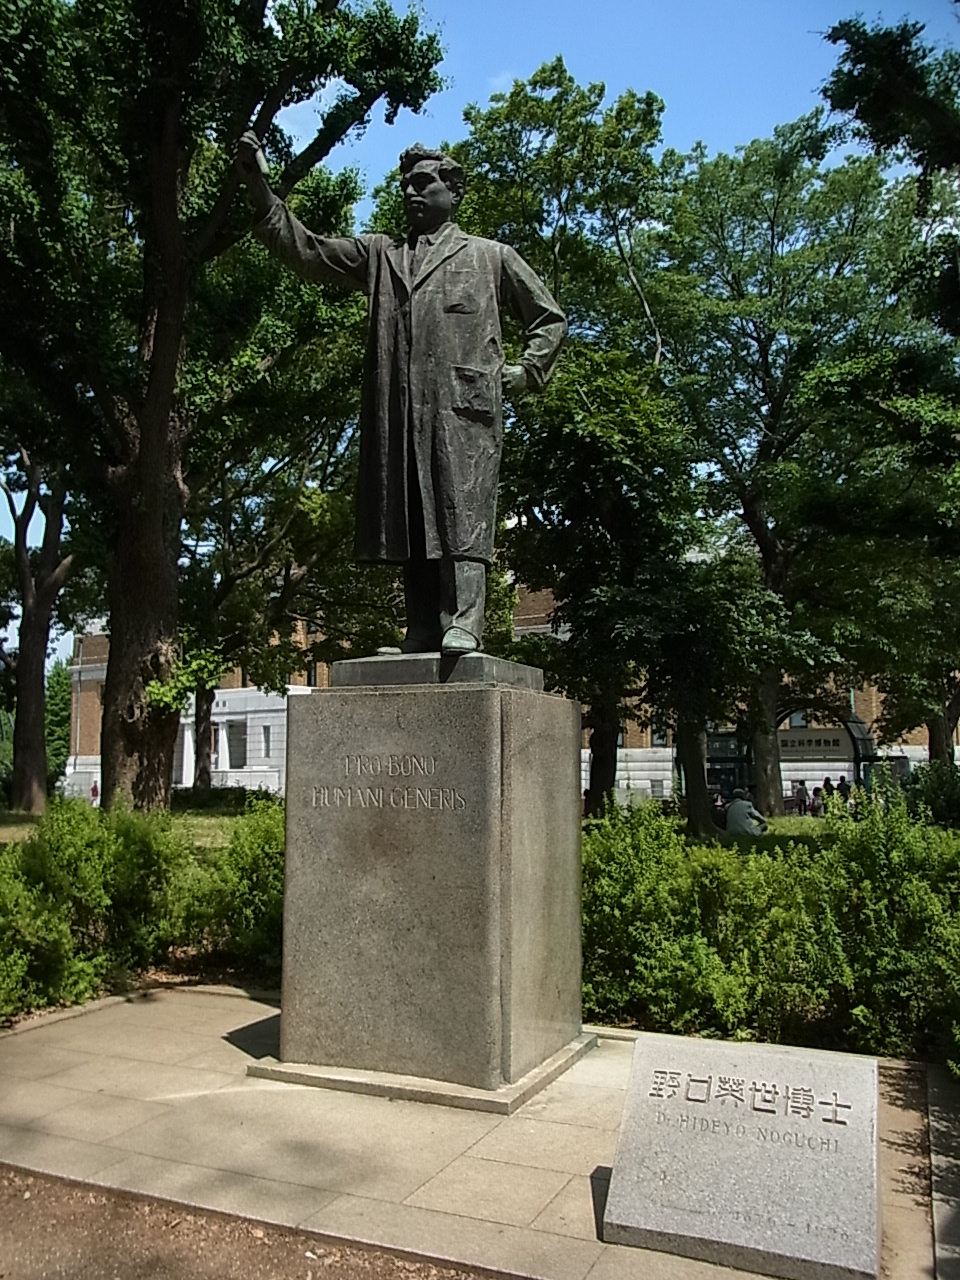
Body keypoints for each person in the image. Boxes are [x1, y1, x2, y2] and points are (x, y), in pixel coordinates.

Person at [235, 132, 567, 654]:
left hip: (463, 413)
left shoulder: (490, 257)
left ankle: (465, 621)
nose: (411, 192)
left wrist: (528, 370)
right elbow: (309, 252)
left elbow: (549, 318)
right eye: (406, 185)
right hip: (401, 412)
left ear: (454, 192)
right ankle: (424, 628)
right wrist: (259, 186)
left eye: (423, 183)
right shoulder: (381, 255)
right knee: (412, 515)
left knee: (460, 512)